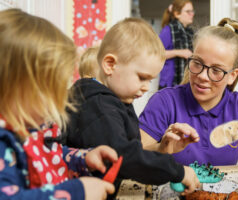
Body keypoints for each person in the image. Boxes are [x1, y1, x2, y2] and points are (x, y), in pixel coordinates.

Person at [65, 18, 201, 195]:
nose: (146, 87)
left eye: (150, 80)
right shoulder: (98, 106)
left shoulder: (118, 99)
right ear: (110, 65)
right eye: (142, 77)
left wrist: (161, 150)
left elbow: (132, 146)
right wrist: (178, 171)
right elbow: (124, 157)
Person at [139, 18, 238, 166]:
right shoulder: (165, 102)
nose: (202, 76)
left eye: (216, 70)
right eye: (197, 63)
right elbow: (134, 157)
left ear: (232, 76)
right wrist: (162, 148)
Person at [0, 8, 119, 200]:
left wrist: (84, 159)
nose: (59, 101)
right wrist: (77, 192)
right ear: (10, 85)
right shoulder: (3, 142)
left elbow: (49, 157)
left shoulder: (32, 128)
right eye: (50, 91)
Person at [159, 0, 195, 89]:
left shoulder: (190, 33)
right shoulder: (167, 30)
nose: (192, 14)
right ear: (176, 14)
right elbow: (156, 54)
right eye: (188, 11)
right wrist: (179, 52)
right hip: (169, 84)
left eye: (192, 11)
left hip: (186, 82)